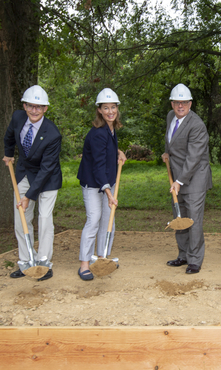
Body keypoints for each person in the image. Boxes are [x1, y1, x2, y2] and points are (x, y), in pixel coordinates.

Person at [3, 85, 62, 281]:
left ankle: (44, 263)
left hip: (47, 179)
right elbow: (9, 136)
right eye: (30, 106)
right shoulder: (18, 117)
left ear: (46, 108)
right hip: (23, 173)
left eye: (39, 107)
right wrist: (8, 154)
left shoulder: (53, 134)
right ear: (24, 106)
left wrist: (29, 196)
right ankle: (26, 262)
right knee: (21, 218)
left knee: (44, 219)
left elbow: (46, 169)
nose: (34, 110)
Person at [76, 88, 127, 281]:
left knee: (109, 222)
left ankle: (103, 257)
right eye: (106, 108)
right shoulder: (98, 132)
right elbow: (97, 165)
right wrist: (108, 193)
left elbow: (107, 148)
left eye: (113, 107)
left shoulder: (110, 128)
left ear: (117, 108)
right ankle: (84, 264)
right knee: (94, 220)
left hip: (107, 181)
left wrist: (118, 152)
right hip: (93, 183)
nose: (110, 111)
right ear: (99, 110)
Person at [162, 83, 212, 274]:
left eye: (184, 102)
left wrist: (180, 181)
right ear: (172, 104)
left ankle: (195, 260)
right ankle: (183, 255)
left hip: (195, 178)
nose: (180, 106)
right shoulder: (170, 117)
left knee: (193, 219)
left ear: (190, 104)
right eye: (176, 102)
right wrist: (167, 152)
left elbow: (193, 158)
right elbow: (170, 139)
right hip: (177, 176)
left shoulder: (197, 125)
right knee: (179, 216)